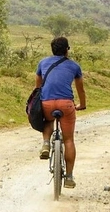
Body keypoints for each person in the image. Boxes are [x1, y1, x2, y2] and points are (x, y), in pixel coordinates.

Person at [35, 36, 86, 189]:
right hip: (66, 104)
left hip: (47, 102)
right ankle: (69, 177)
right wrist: (82, 104)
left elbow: (38, 87)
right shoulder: (74, 66)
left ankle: (45, 144)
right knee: (69, 140)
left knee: (48, 120)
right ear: (66, 50)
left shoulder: (43, 63)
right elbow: (80, 89)